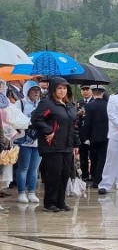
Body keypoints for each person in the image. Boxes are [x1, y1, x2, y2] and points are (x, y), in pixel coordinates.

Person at [30, 76, 79, 212]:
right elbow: (36, 120)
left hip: (67, 146)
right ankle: (50, 203)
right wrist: (49, 130)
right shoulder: (47, 104)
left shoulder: (69, 105)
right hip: (52, 146)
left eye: (64, 88)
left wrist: (76, 144)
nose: (62, 91)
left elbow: (74, 126)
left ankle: (60, 201)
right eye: (59, 88)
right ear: (53, 89)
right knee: (53, 174)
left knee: (64, 174)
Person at [15, 80, 41, 204]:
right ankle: (21, 192)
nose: (36, 92)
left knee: (34, 168)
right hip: (24, 140)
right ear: (27, 91)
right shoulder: (20, 103)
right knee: (23, 167)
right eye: (33, 90)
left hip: (38, 141)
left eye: (38, 90)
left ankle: (31, 192)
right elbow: (15, 119)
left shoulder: (42, 104)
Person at [82, 85, 110, 189]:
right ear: (102, 93)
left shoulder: (89, 106)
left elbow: (87, 123)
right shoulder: (107, 105)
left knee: (93, 158)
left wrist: (86, 137)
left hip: (93, 136)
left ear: (93, 93)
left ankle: (94, 176)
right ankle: (99, 179)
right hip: (106, 135)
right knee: (102, 158)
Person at [77, 84, 93, 181]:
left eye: (87, 89)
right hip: (81, 132)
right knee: (83, 155)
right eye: (83, 89)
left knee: (93, 155)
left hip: (92, 132)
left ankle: (93, 174)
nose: (85, 92)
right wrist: (78, 115)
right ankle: (85, 174)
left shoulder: (94, 101)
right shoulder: (79, 102)